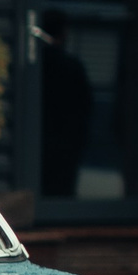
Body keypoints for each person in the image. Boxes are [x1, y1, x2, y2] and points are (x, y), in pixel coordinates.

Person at [36, 12, 93, 199]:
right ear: (63, 33)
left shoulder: (38, 65)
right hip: (67, 139)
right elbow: (86, 106)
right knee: (63, 188)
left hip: (43, 137)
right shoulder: (72, 66)